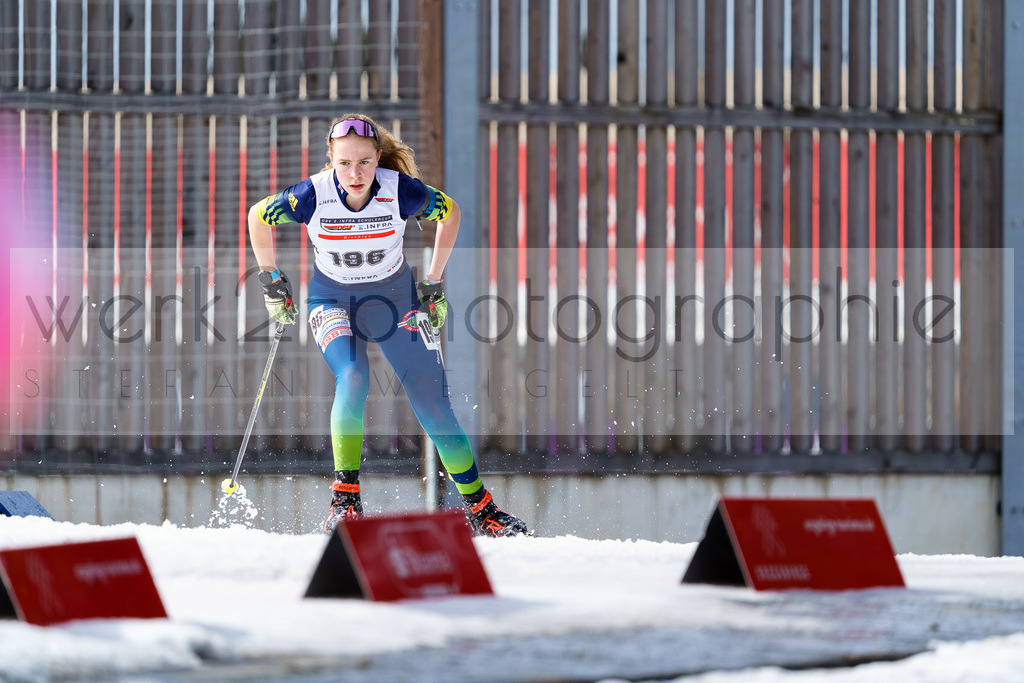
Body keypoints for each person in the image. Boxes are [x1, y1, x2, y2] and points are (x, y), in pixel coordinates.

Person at [247, 114, 529, 537]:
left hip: (395, 304)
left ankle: (482, 511)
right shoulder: (312, 194)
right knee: (354, 376)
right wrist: (270, 279)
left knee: (432, 402)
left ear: (379, 157)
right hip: (333, 301)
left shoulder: (401, 191)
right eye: (344, 163)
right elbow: (257, 216)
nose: (355, 174)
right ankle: (345, 503)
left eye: (364, 162)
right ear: (331, 161)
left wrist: (434, 280)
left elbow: (449, 214)